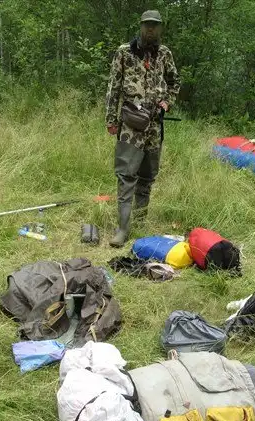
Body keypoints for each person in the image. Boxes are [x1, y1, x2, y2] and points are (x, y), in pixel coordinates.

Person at [104, 10, 181, 247]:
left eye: (155, 25)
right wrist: (111, 119)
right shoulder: (124, 52)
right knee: (126, 175)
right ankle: (123, 229)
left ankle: (139, 223)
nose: (150, 29)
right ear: (140, 26)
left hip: (154, 125)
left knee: (147, 176)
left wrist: (167, 101)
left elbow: (175, 81)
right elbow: (114, 87)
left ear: (160, 28)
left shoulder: (164, 53)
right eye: (147, 25)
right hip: (130, 123)